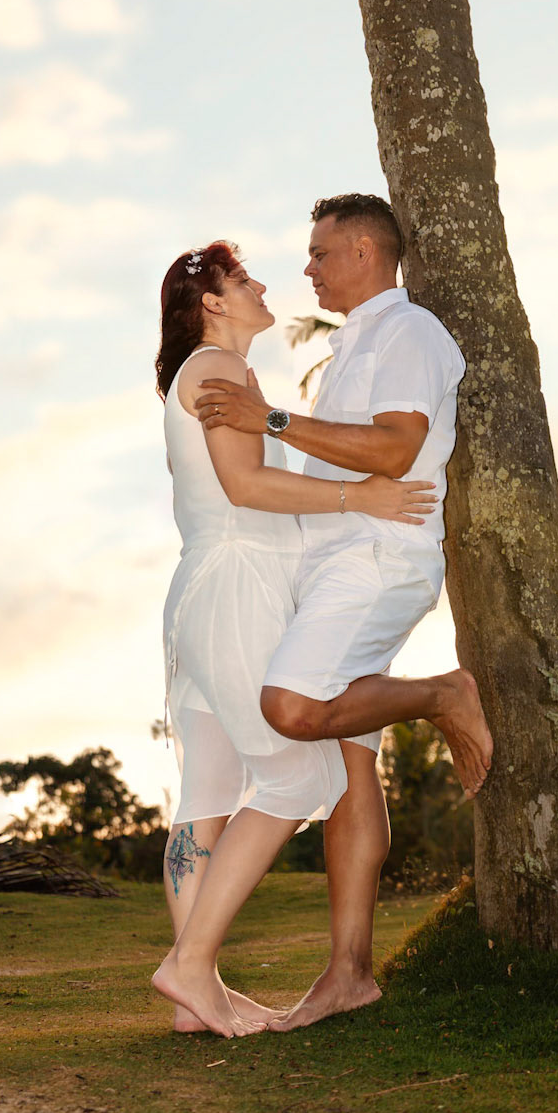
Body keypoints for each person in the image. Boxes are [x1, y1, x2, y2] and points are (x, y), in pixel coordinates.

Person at [196, 192, 493, 1031]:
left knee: (290, 709)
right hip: (333, 564)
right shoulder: (344, 348)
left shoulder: (409, 333)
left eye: (320, 253)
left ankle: (442, 696)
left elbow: (396, 447)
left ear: (364, 251)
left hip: (374, 560)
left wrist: (273, 419)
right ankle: (349, 974)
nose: (308, 268)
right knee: (353, 769)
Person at [152, 238, 436, 1040]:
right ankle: (188, 966)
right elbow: (246, 486)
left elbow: (230, 489)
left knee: (207, 790)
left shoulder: (215, 375)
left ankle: (193, 992)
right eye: (243, 278)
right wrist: (360, 499)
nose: (265, 284)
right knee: (295, 779)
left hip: (210, 588)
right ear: (210, 302)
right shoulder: (214, 371)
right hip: (237, 587)